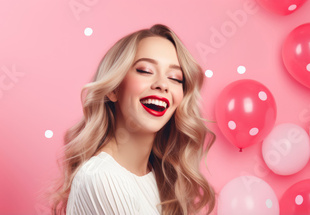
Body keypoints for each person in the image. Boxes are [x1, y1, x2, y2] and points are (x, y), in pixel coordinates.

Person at [49, 24, 216, 215]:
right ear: (113, 88)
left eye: (175, 78)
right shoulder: (102, 178)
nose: (162, 85)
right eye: (145, 70)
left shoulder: (159, 176)